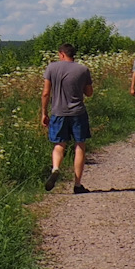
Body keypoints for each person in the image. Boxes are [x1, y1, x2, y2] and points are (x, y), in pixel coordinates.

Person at [41, 42, 95, 193]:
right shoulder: (83, 69)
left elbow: (46, 93)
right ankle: (77, 185)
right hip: (78, 113)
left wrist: (44, 113)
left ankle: (56, 168)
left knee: (59, 144)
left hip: (58, 112)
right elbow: (89, 93)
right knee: (80, 145)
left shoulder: (52, 68)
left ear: (62, 54)